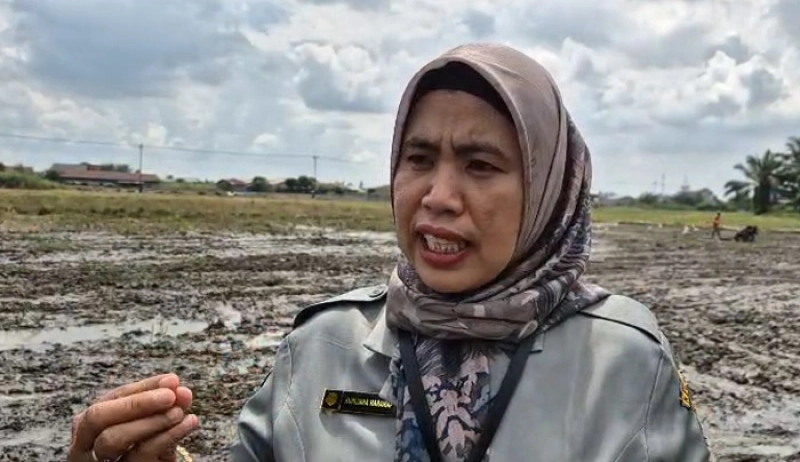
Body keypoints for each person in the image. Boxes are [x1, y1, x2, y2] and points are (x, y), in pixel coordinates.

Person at [68, 43, 711, 462]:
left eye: (481, 165)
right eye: (419, 158)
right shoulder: (323, 346)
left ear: (548, 189)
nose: (438, 196)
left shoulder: (624, 361)